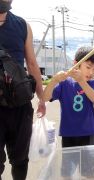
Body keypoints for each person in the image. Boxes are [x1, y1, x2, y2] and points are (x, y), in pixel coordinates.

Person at [0, 1, 46, 179]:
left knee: (20, 159)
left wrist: (41, 99)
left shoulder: (22, 25)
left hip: (20, 105)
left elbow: (32, 63)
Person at [43, 47, 94, 178]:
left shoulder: (92, 84)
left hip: (88, 133)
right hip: (68, 135)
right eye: (88, 67)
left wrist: (81, 81)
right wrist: (54, 81)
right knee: (68, 173)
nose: (91, 72)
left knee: (89, 172)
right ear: (76, 64)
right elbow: (45, 97)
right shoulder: (64, 84)